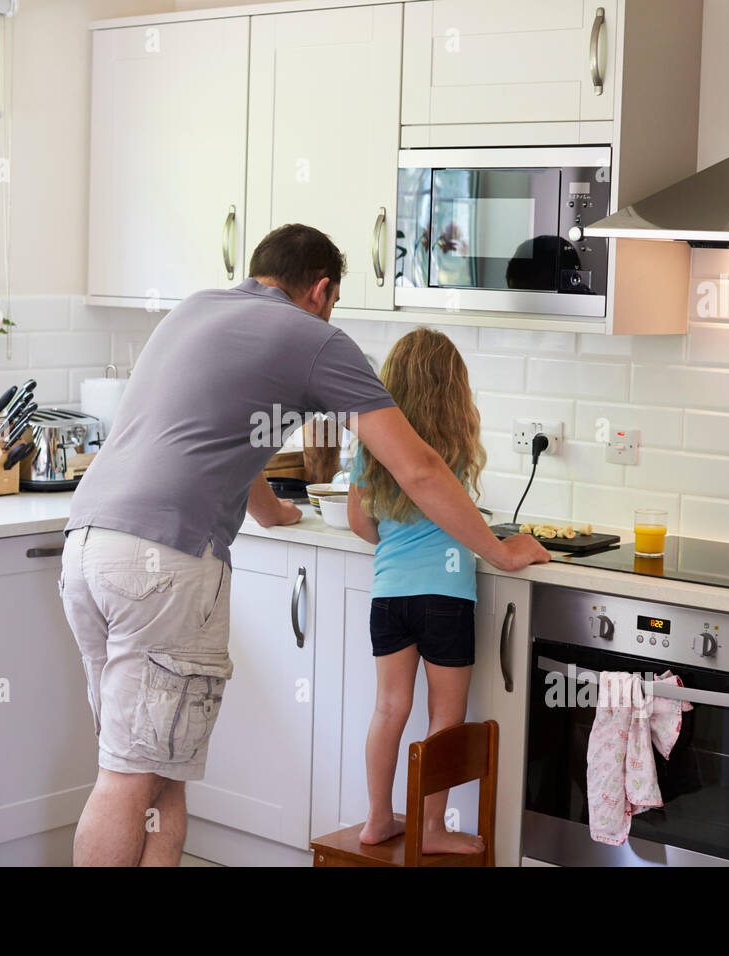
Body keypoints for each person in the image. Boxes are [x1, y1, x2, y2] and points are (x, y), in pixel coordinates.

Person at [60, 224, 552, 867]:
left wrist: (268, 511)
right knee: (132, 776)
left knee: (151, 769)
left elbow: (200, 438)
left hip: (88, 547)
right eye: (335, 302)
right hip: (166, 562)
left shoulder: (195, 308)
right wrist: (500, 550)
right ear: (320, 291)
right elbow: (420, 469)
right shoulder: (315, 337)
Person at [346, 328, 526, 854]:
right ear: (455, 391)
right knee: (444, 717)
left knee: (389, 709)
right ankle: (430, 828)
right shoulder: (451, 448)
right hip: (445, 597)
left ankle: (378, 818)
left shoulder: (373, 447)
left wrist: (398, 549)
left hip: (389, 595)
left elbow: (360, 521)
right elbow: (462, 521)